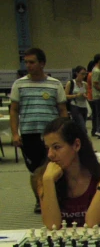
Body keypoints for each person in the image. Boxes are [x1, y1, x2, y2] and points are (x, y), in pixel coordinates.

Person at [9, 47, 68, 214]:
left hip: (52, 135)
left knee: (54, 167)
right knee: (35, 171)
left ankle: (57, 198)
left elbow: (62, 110)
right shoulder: (19, 84)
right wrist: (15, 133)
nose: (28, 65)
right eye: (26, 62)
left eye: (32, 62)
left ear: (42, 63)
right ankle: (39, 200)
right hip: (29, 134)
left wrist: (65, 131)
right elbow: (14, 110)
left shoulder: (55, 84)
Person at [36, 118, 100, 229]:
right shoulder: (45, 177)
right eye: (48, 148)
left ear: (76, 145)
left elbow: (92, 223)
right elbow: (52, 226)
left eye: (56, 147)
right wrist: (48, 181)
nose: (50, 155)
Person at [66, 66, 88, 133]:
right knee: (82, 127)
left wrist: (85, 96)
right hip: (75, 106)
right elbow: (65, 96)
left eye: (85, 74)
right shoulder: (71, 83)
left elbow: (85, 94)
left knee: (81, 126)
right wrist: (75, 95)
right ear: (77, 73)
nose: (83, 76)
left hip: (84, 106)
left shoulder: (84, 84)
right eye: (82, 74)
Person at [86, 59, 97, 135]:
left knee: (95, 114)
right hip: (92, 96)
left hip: (90, 95)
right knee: (96, 114)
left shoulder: (88, 74)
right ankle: (95, 129)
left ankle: (95, 129)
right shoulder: (92, 74)